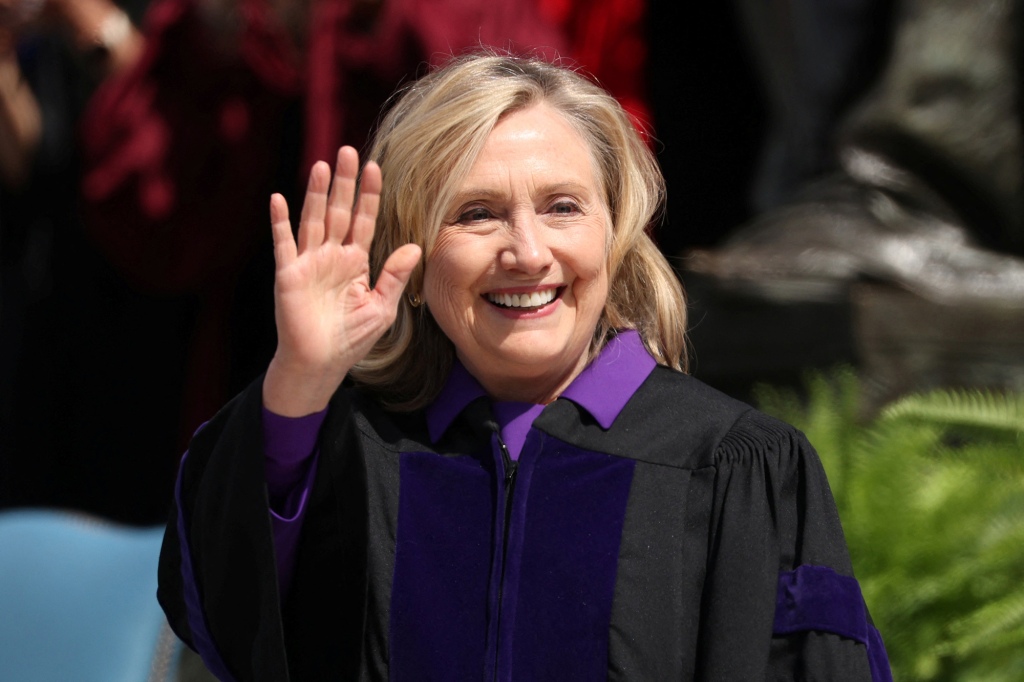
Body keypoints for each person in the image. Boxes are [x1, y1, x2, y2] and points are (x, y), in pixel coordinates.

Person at [157, 52, 892, 681]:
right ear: (414, 254)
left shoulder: (736, 467)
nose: (528, 252)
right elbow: (226, 622)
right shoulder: (358, 454)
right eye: (476, 213)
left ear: (616, 234)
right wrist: (299, 382)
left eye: (563, 207)